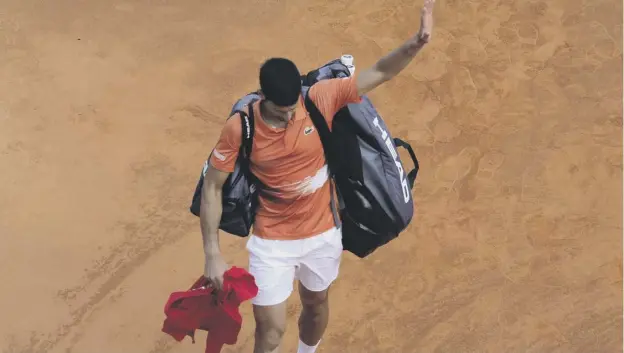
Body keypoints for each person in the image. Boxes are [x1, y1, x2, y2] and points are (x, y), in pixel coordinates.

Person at [200, 1, 435, 352]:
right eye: (282, 111)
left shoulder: (317, 99)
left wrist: (415, 43)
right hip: (271, 241)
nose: (290, 115)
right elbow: (212, 187)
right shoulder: (241, 127)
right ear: (263, 98)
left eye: (294, 106)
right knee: (269, 328)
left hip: (323, 234)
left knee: (316, 305)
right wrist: (212, 253)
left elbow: (381, 72)